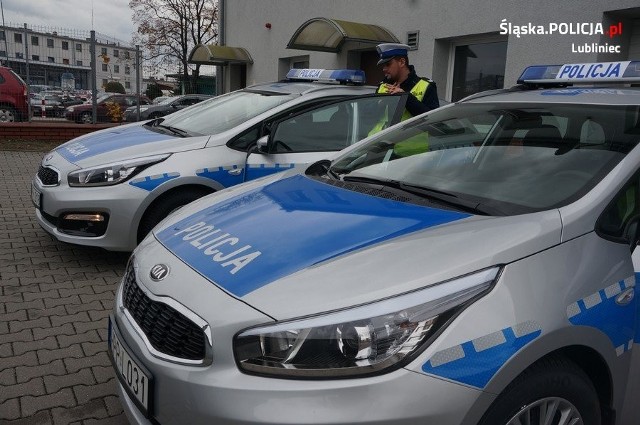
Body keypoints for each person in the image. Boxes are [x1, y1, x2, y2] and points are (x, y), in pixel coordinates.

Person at [375, 43, 439, 118]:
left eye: (388, 64)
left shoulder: (426, 86)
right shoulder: (382, 86)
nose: (384, 69)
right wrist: (380, 105)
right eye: (383, 66)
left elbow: (433, 119)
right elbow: (367, 118)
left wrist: (406, 98)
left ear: (402, 62)